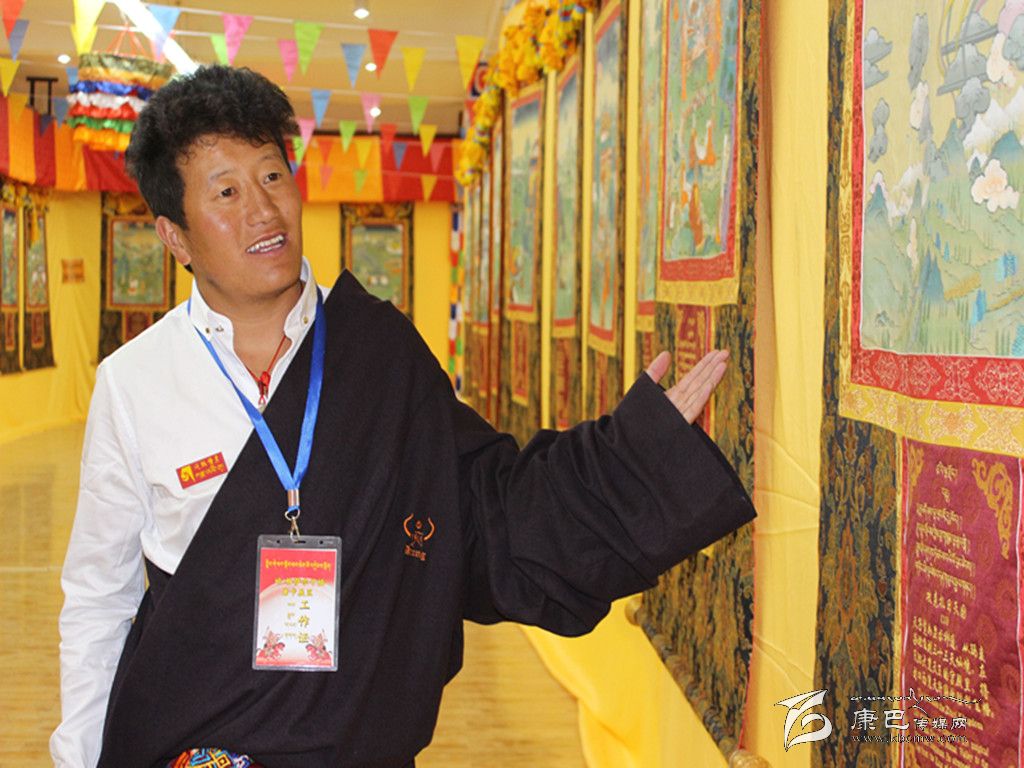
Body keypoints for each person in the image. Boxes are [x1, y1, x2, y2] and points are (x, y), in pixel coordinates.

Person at [51, 65, 756, 768]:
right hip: (198, 744)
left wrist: (635, 458)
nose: (262, 210)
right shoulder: (134, 382)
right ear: (175, 237)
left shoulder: (378, 351)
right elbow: (99, 597)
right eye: (227, 192)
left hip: (357, 745)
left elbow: (488, 512)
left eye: (271, 175)